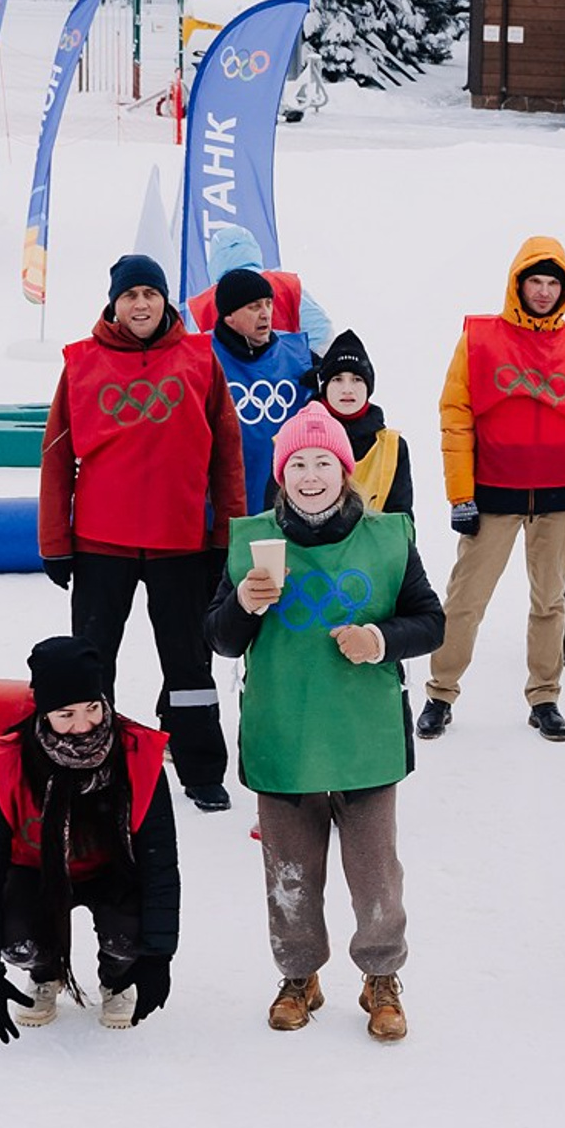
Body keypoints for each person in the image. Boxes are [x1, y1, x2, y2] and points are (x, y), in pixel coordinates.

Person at [211, 403, 446, 1042]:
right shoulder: (251, 541)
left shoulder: (388, 537)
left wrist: (380, 638)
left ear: (345, 471)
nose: (310, 475)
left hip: (363, 733)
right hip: (284, 728)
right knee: (289, 870)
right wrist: (242, 605)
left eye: (323, 462)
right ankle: (298, 975)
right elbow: (220, 639)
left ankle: (380, 977)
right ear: (281, 474)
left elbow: (432, 620)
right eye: (297, 463)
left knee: (375, 873)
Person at [39, 253, 248, 812]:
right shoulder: (81, 363)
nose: (140, 304)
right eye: (130, 295)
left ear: (164, 301)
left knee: (188, 663)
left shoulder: (200, 359)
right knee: (91, 663)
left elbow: (227, 455)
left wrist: (226, 535)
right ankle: (91, 766)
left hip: (180, 542)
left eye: (149, 294)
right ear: (114, 302)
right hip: (100, 544)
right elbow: (57, 458)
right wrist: (55, 543)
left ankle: (201, 767)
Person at [421, 237, 565, 744]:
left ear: (564, 288)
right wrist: (461, 495)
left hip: (558, 497)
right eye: (535, 281)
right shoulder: (480, 339)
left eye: (553, 283)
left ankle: (544, 696)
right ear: (518, 283)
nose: (543, 291)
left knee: (551, 600)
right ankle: (440, 692)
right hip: (494, 493)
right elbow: (455, 416)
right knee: (466, 599)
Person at [0, 636, 177, 1040]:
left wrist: (158, 955)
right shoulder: (9, 760)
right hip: (35, 871)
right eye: (66, 714)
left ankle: (117, 978)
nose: (84, 726)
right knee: (20, 943)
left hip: (111, 870)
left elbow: (160, 860)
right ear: (43, 713)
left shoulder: (137, 753)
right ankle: (46, 974)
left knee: (127, 938)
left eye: (93, 708)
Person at [210, 265, 314, 515]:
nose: (266, 313)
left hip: (288, 506)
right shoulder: (203, 357)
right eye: (254, 307)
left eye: (268, 303)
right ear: (229, 316)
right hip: (221, 508)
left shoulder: (298, 356)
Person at [189, 220, 334, 354]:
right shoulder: (287, 286)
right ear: (254, 250)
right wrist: (300, 365)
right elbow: (321, 332)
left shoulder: (201, 305)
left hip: (229, 379)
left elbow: (192, 354)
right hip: (285, 379)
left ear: (214, 261)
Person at [309, 328, 413, 513]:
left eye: (357, 379)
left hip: (375, 542)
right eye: (337, 379)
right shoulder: (295, 440)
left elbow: (400, 520)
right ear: (324, 387)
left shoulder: (393, 447)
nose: (347, 389)